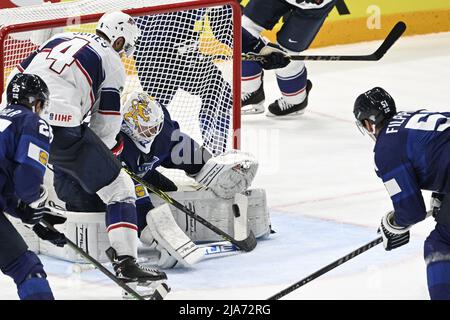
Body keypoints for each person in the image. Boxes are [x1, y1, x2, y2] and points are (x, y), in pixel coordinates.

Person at [5, 10, 167, 284]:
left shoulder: (60, 38)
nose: (125, 52)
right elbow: (107, 125)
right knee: (120, 188)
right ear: (117, 41)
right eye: (125, 46)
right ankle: (127, 263)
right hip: (63, 127)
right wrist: (105, 161)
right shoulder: (112, 61)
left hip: (13, 118)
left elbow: (17, 75)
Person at [54, 91, 260, 268]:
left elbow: (182, 149)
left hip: (135, 173)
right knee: (96, 208)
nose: (152, 132)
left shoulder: (162, 132)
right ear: (127, 126)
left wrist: (210, 169)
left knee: (168, 189)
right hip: (78, 182)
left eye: (156, 127)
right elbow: (132, 196)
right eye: (146, 129)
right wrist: (152, 235)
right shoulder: (113, 141)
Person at [353, 87, 450, 300]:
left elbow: (411, 211)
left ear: (369, 123)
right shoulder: (416, 116)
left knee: (441, 244)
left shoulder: (386, 149)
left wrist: (393, 225)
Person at [133, 9, 234, 155]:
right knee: (215, 87)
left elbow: (223, 26)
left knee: (152, 110)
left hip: (154, 51)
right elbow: (223, 27)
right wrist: (254, 46)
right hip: (164, 51)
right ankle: (215, 153)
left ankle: (131, 157)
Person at [0, 73, 57, 300]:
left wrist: (24, 213)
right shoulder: (32, 122)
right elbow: (27, 180)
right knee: (27, 269)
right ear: (37, 103)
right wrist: (33, 203)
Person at [241, 0, 337, 116]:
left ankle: (296, 101)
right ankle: (252, 90)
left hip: (311, 7)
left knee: (286, 53)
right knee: (245, 28)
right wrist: (259, 49)